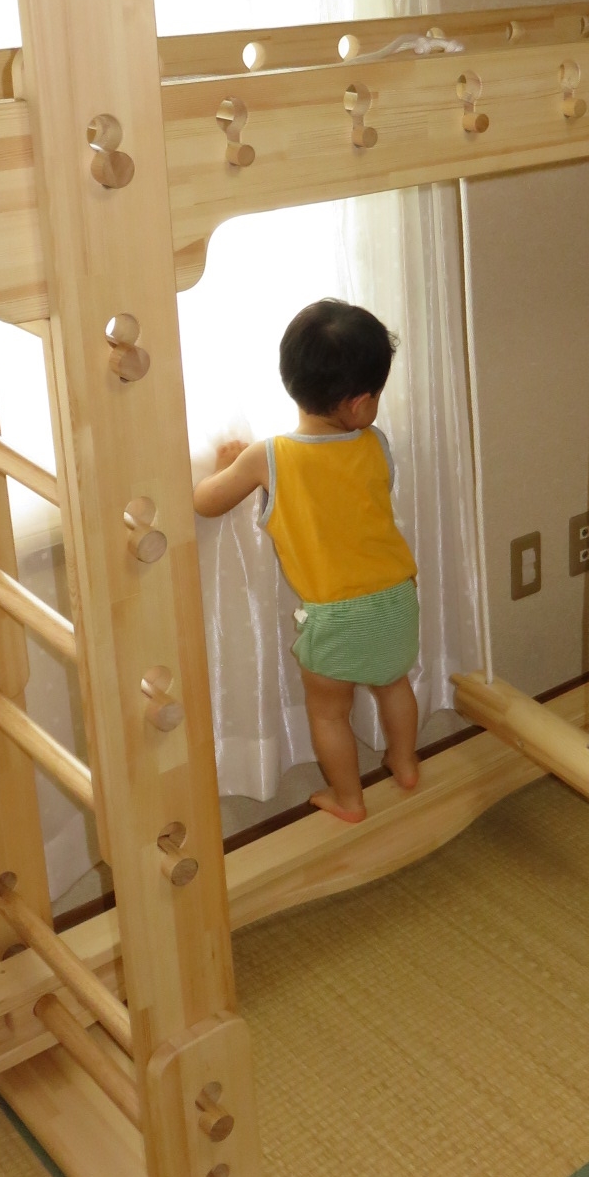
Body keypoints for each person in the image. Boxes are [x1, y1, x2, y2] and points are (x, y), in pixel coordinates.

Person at [193, 299, 419, 823]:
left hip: (335, 615)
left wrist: (227, 464)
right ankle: (406, 763)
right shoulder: (375, 443)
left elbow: (206, 502)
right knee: (395, 684)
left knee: (330, 713)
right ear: (359, 404)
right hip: (396, 597)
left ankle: (349, 799)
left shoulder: (269, 456)